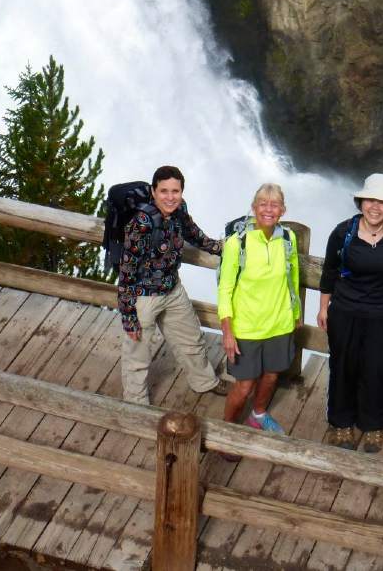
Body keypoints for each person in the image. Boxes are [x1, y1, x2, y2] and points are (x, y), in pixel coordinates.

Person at [318, 173, 383, 453]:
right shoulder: (342, 232)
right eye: (371, 200)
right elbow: (329, 271)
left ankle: (373, 425)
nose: (375, 207)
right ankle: (340, 422)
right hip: (345, 310)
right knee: (343, 366)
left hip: (382, 314)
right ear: (361, 202)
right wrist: (323, 307)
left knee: (376, 370)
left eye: (382, 202)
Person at [117, 165, 228, 405]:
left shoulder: (180, 209)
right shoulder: (141, 223)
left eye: (175, 191)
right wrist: (129, 317)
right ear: (154, 192)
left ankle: (205, 381)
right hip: (144, 296)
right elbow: (126, 272)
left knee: (191, 338)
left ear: (182, 192)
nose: (170, 197)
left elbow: (192, 233)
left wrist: (219, 248)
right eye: (164, 191)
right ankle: (135, 404)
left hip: (172, 288)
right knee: (137, 355)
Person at [218, 183, 301, 435]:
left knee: (272, 376)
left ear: (282, 210)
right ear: (253, 208)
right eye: (263, 204)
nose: (268, 209)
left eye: (274, 205)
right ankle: (228, 432)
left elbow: (292, 276)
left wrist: (295, 314)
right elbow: (225, 289)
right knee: (244, 386)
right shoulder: (237, 243)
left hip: (279, 324)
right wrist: (228, 332)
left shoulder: (288, 238)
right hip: (247, 327)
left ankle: (258, 414)